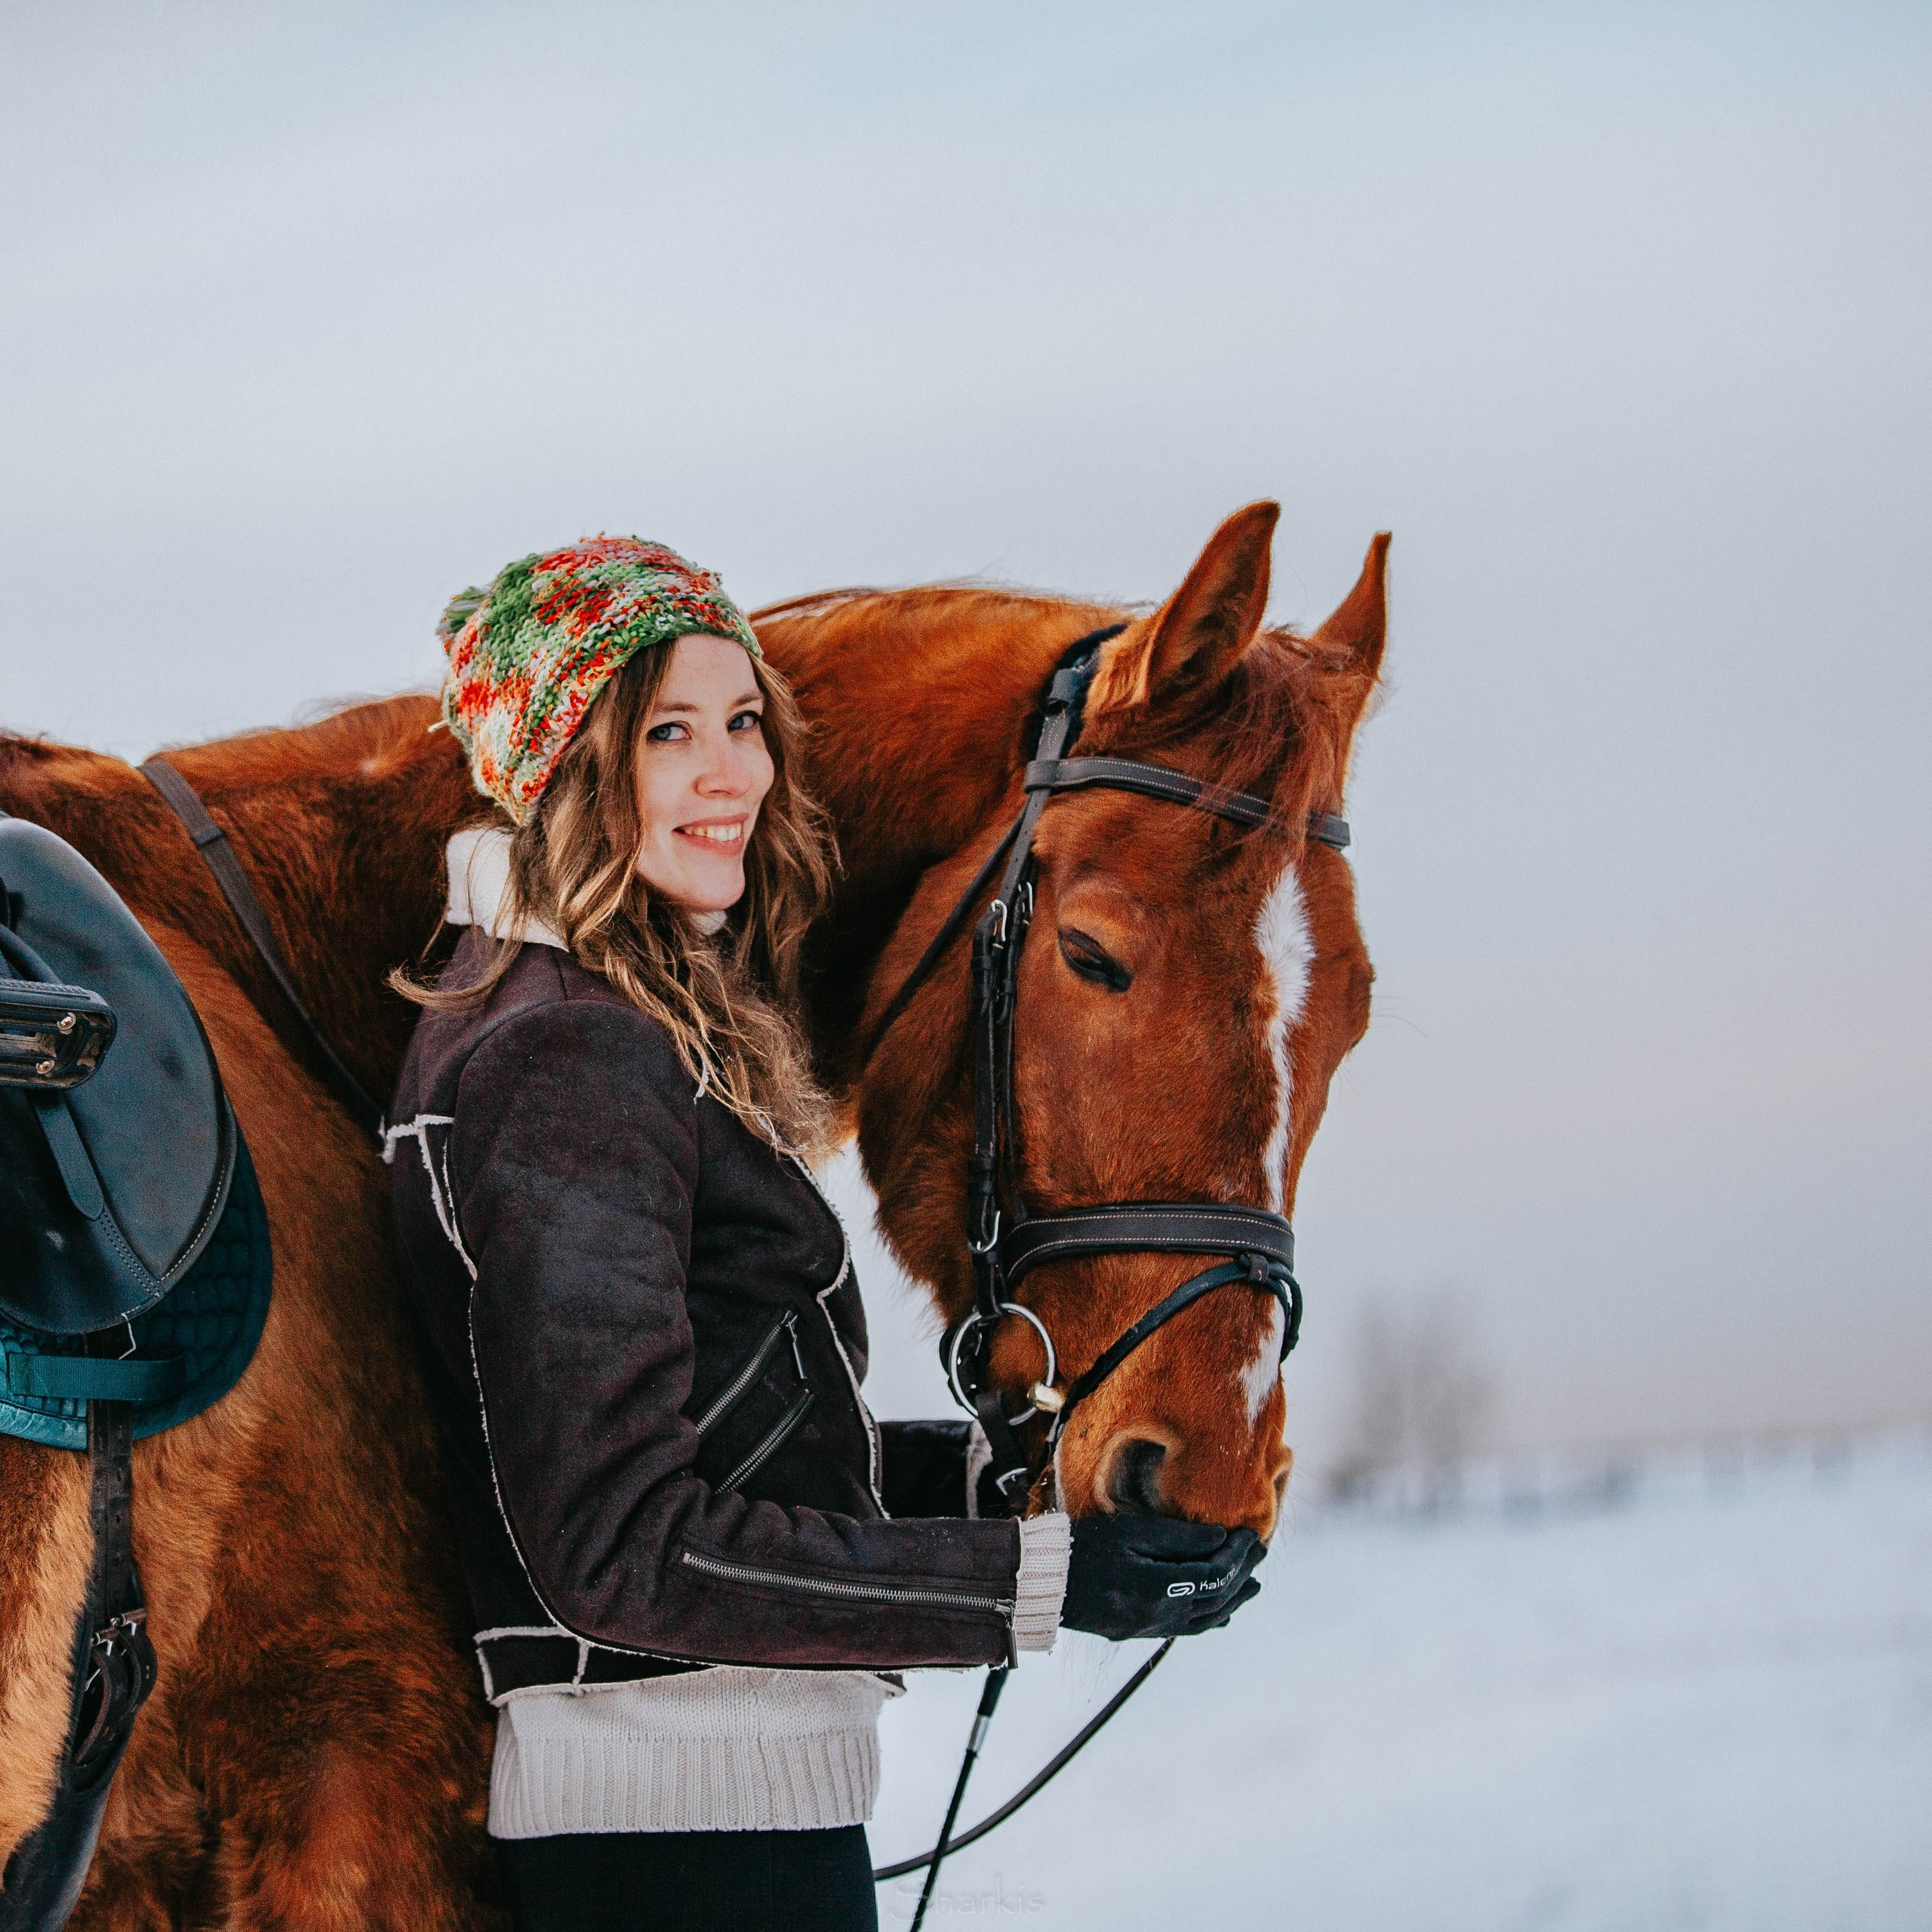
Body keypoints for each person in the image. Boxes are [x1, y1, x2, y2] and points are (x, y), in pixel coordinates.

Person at [386, 537, 1266, 1932]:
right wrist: (1034, 1586)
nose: (731, 773)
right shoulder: (566, 1057)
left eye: (745, 723)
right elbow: (619, 1544)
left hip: (715, 1831)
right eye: (669, 733)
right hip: (672, 1861)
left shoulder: (607, 1031)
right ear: (565, 767)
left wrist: (1020, 1494)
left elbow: (726, 1451)